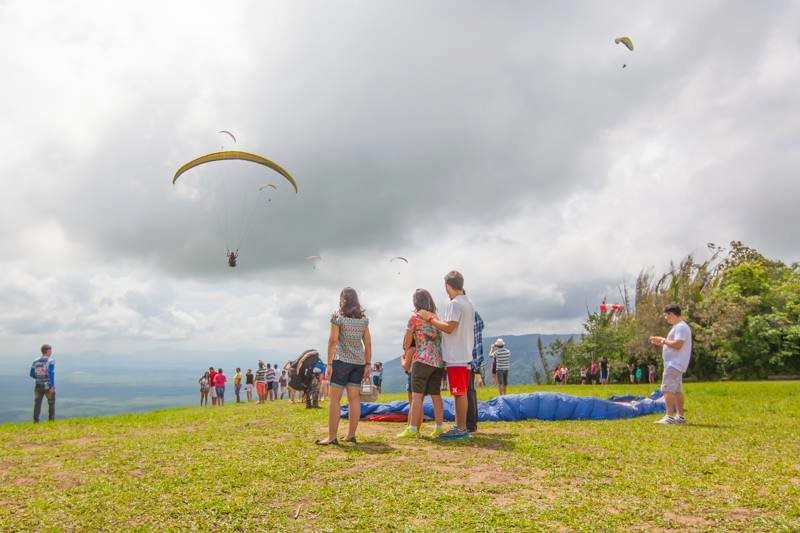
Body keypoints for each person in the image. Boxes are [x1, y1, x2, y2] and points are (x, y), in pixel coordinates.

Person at [416, 271, 475, 440]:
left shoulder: (455, 304)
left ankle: (461, 428)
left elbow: (449, 327)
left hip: (456, 356)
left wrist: (430, 319)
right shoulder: (468, 302)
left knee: (458, 392)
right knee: (460, 391)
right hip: (464, 352)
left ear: (448, 286)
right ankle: (460, 425)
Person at [316, 287, 371, 445]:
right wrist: (367, 363)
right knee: (354, 399)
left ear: (342, 300)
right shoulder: (363, 320)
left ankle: (332, 437)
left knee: (334, 399)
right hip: (358, 363)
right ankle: (351, 435)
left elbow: (333, 341)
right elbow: (367, 343)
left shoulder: (337, 317)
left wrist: (329, 362)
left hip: (341, 362)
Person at [398, 289, 445, 439]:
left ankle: (412, 428)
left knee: (417, 396)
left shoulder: (414, 318)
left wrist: (406, 350)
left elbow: (407, 340)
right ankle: (438, 427)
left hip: (422, 359)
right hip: (438, 361)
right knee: (436, 395)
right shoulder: (436, 318)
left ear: (415, 302)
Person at [649, 304, 692, 425]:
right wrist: (661, 342)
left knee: (667, 389)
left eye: (666, 316)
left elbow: (678, 344)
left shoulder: (681, 327)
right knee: (677, 390)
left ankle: (669, 416)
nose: (666, 318)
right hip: (676, 364)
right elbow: (673, 344)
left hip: (674, 364)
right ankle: (680, 417)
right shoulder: (679, 327)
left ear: (671, 314)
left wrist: (663, 340)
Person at [467, 310, 485, 433]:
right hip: (475, 357)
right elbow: (482, 325)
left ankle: (469, 424)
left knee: (467, 391)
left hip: (467, 356)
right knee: (471, 391)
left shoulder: (466, 313)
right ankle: (472, 423)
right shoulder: (475, 313)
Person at [30, 344, 55, 423]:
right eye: (50, 350)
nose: (51, 352)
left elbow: (31, 374)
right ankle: (51, 421)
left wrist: (38, 378)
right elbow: (51, 373)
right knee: (51, 403)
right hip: (48, 386)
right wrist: (52, 386)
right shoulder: (51, 360)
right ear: (47, 351)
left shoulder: (35, 361)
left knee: (37, 404)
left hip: (38, 385)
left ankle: (35, 421)